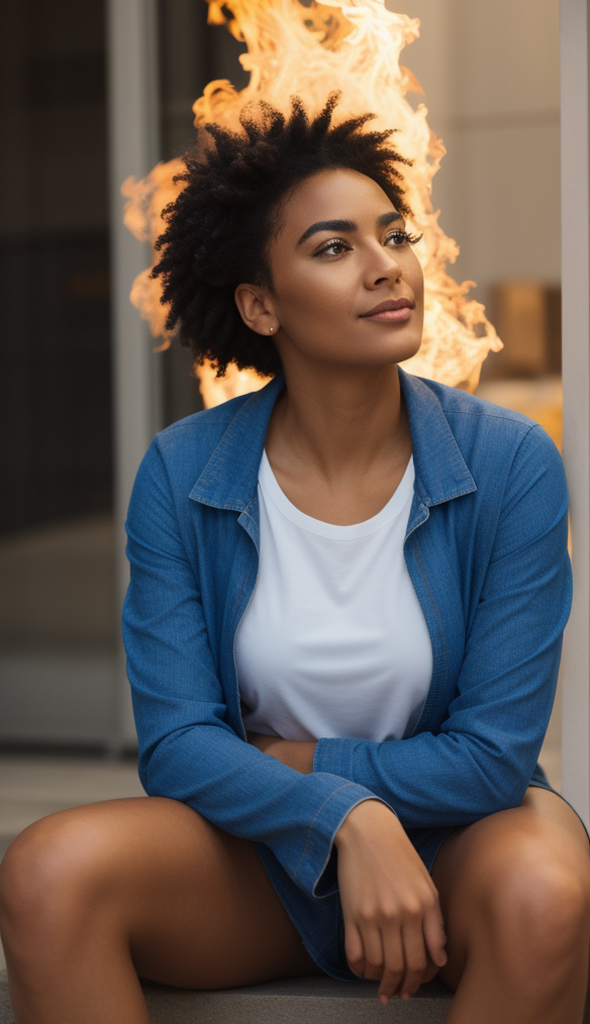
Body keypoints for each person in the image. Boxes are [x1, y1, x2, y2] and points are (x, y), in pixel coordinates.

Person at [1, 91, 589, 1024]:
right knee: (47, 870)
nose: (386, 267)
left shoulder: (510, 464)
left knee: (550, 888)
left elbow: (490, 759)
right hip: (263, 852)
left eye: (393, 235)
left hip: (461, 847)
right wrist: (342, 816)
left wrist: (301, 757)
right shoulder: (184, 471)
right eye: (333, 247)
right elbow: (181, 746)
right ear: (259, 304)